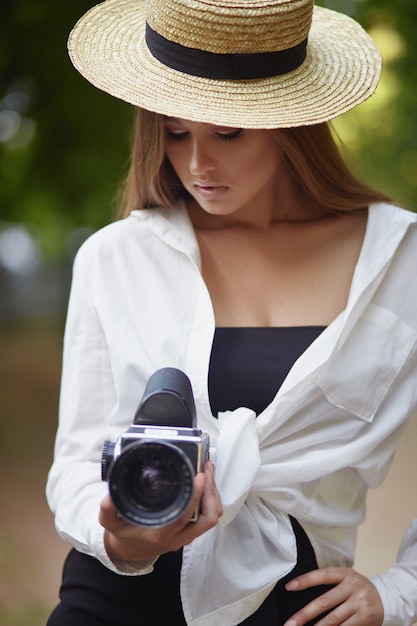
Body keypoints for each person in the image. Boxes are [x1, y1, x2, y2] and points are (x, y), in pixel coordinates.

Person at [46, 0, 417, 624]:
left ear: (291, 124)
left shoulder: (400, 260)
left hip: (300, 609)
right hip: (114, 598)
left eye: (228, 133)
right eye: (175, 131)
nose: (197, 165)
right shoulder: (116, 257)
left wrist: (400, 591)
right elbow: (78, 462)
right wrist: (119, 538)